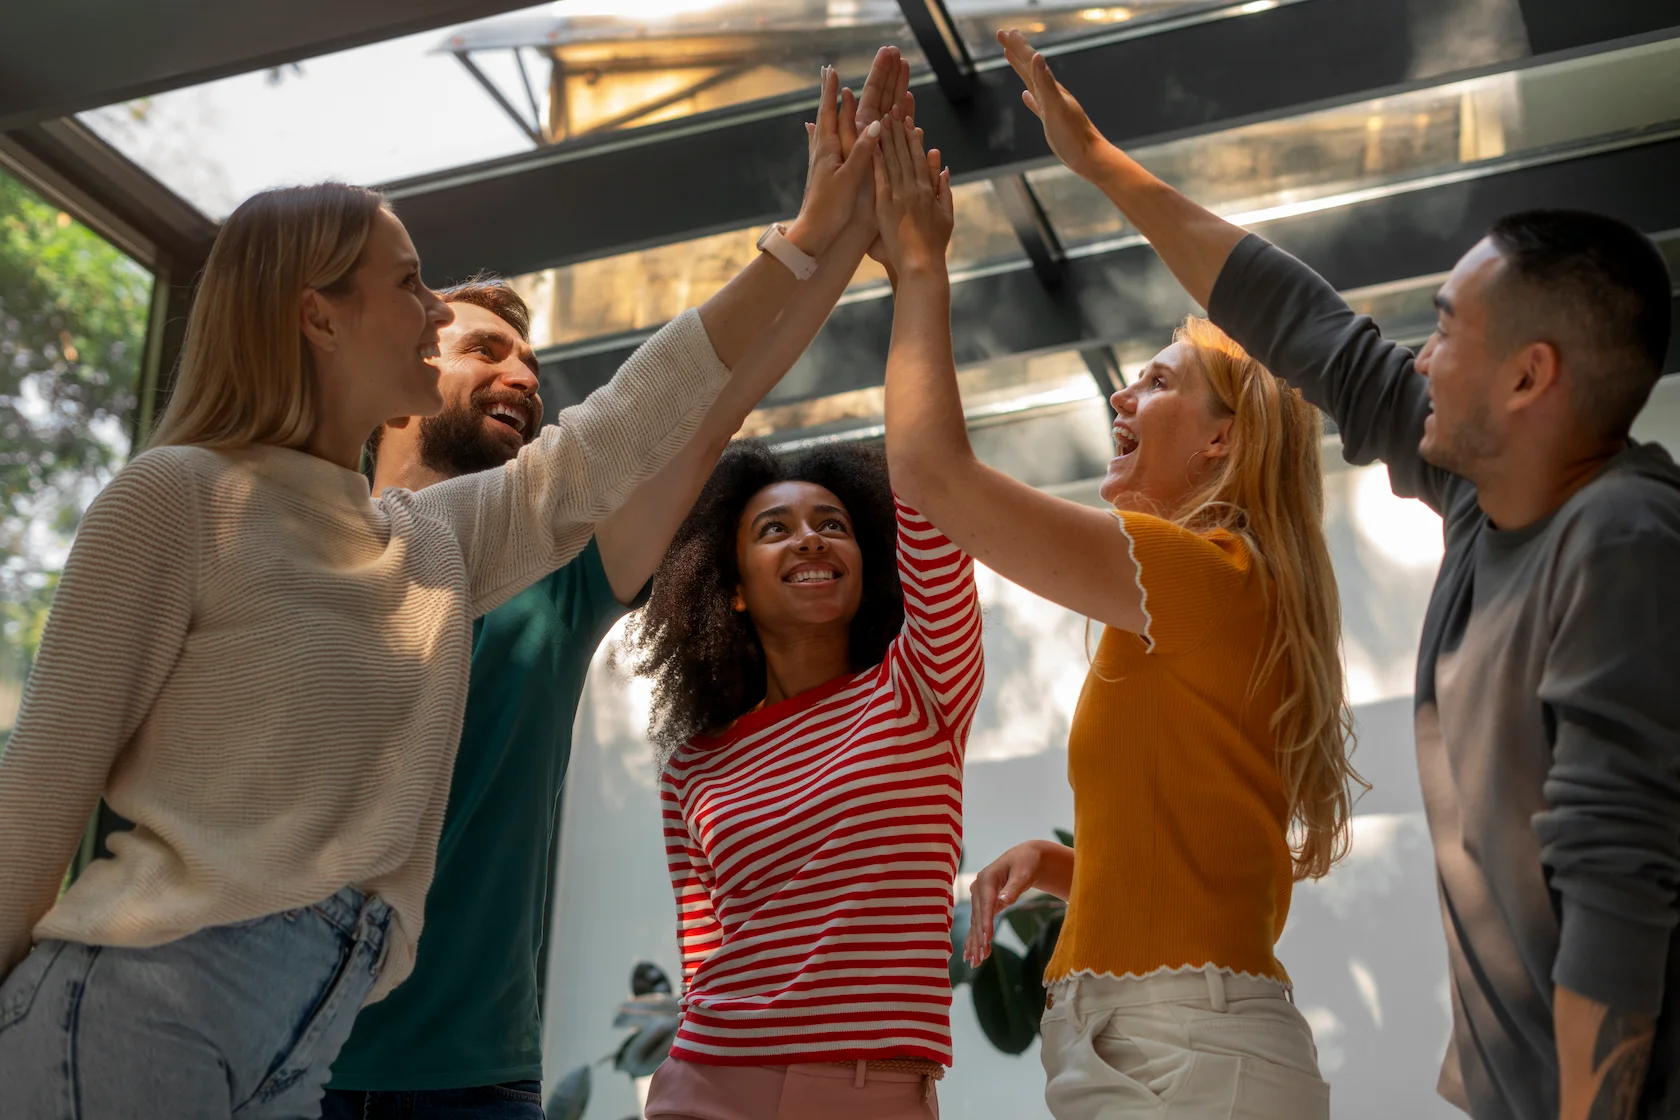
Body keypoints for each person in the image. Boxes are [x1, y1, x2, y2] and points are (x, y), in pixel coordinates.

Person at [0, 67, 881, 1115]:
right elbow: (35, 809)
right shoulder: (179, 496)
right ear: (318, 317)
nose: (431, 307)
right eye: (412, 284)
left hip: (304, 1045)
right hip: (140, 1014)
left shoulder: (433, 544)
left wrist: (812, 239)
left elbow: (642, 416)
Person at [991, 24, 1680, 1120]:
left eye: (1445, 331)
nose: (1417, 357)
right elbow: (1304, 326)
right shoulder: (1481, 493)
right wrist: (1099, 165)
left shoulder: (1622, 541)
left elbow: (1619, 884)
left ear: (1527, 378)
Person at [321, 50, 915, 1120]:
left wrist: (844, 233)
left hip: (468, 1083)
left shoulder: (560, 577)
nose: (521, 375)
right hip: (277, 1060)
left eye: (531, 366)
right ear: (406, 369)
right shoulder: (307, 548)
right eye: (486, 349)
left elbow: (716, 405)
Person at [870, 113, 1355, 1119]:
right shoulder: (1210, 595)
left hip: (1188, 1051)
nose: (1122, 398)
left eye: (1158, 381)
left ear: (1222, 442)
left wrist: (920, 269)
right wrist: (1068, 868)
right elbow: (1203, 846)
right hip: (1166, 1042)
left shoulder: (1206, 575)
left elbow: (931, 474)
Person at [630, 433, 983, 1120]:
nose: (811, 539)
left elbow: (936, 496)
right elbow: (703, 954)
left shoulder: (919, 689)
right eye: (775, 530)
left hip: (874, 1093)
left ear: (869, 565)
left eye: (833, 525)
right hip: (709, 1080)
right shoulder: (694, 767)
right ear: (732, 590)